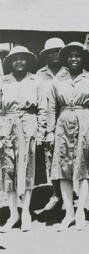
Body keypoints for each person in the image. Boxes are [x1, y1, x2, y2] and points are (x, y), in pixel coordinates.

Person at [47, 42, 89, 231]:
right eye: (70, 56)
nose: (73, 59)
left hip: (85, 122)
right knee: (63, 169)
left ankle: (81, 211)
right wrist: (50, 132)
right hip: (62, 124)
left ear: (83, 58)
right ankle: (69, 212)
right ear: (65, 58)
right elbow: (51, 108)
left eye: (77, 56)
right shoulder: (57, 80)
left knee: (84, 167)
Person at [0, 46, 46, 232]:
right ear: (10, 62)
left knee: (27, 169)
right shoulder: (4, 81)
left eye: (22, 58)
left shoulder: (36, 80)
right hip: (7, 127)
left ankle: (25, 212)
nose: (19, 61)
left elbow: (43, 108)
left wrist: (41, 132)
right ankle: (13, 214)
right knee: (8, 170)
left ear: (28, 61)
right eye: (15, 58)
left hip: (29, 124)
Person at [34, 37, 66, 214]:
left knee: (66, 157)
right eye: (51, 52)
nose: (54, 54)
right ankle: (56, 193)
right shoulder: (39, 75)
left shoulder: (69, 72)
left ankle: (68, 193)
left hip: (65, 120)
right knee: (50, 157)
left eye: (58, 51)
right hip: (46, 120)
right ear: (45, 55)